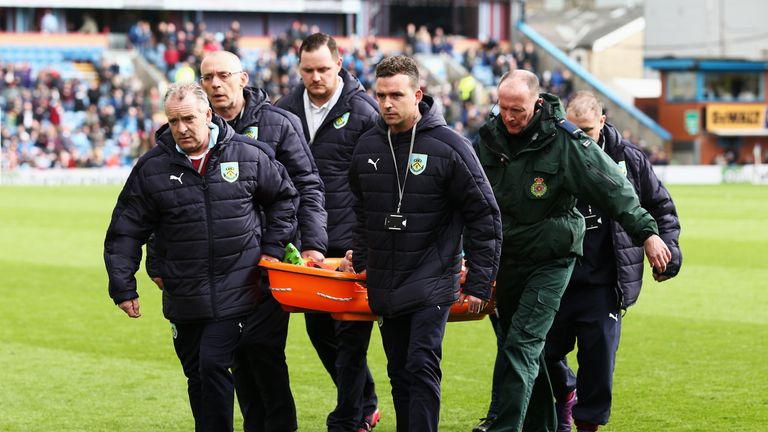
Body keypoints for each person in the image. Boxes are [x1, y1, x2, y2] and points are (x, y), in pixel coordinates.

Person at [472, 70, 671, 432]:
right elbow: (467, 200)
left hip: (552, 259)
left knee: (522, 346)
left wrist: (648, 234)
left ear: (536, 103)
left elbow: (614, 188)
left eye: (517, 109)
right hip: (509, 260)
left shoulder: (565, 142)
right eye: (503, 108)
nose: (509, 117)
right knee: (522, 351)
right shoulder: (487, 139)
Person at [104, 82, 298, 432]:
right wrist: (123, 285)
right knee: (197, 374)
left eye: (189, 118)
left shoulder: (247, 154)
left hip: (238, 286)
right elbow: (126, 229)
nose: (181, 128)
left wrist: (271, 251)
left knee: (212, 364)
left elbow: (284, 198)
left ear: (207, 115)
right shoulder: (152, 168)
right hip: (184, 292)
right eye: (174, 120)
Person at [348, 55, 503, 432]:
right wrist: (362, 259)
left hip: (433, 280)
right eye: (381, 95)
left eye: (396, 95)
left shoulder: (450, 146)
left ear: (417, 95)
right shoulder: (367, 144)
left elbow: (485, 215)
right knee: (399, 372)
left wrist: (481, 281)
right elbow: (360, 208)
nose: (386, 103)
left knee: (421, 365)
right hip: (385, 283)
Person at [197, 49, 327, 432]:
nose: (216, 84)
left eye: (224, 75)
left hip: (271, 259)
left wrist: (313, 245)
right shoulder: (196, 128)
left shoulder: (278, 123)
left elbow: (308, 186)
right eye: (208, 78)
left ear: (243, 78)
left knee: (264, 350)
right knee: (236, 354)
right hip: (220, 266)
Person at [543, 91, 682, 432]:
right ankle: (564, 396)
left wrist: (669, 253)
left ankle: (586, 426)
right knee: (540, 355)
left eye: (586, 131)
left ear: (602, 123)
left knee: (599, 363)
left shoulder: (628, 159)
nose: (578, 140)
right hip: (553, 278)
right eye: (570, 131)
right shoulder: (547, 156)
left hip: (604, 283)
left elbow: (661, 208)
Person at [275, 32, 381, 432]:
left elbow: (374, 184)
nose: (315, 77)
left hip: (351, 241)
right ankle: (366, 401)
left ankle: (350, 417)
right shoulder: (284, 111)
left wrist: (363, 242)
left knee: (351, 332)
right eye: (308, 70)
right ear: (298, 68)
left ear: (339, 64)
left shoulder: (366, 112)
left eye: (323, 68)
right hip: (306, 242)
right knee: (320, 332)